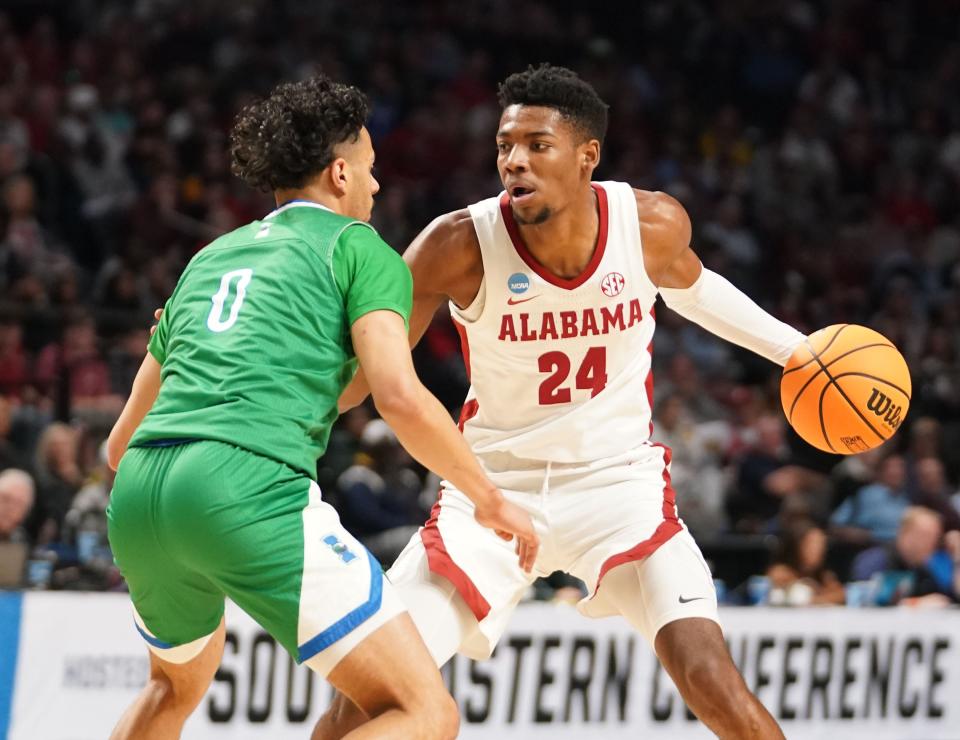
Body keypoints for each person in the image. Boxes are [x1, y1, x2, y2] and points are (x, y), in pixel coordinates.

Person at [325, 64, 797, 738]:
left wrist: (798, 352)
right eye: (504, 147)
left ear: (587, 157)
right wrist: (273, 397)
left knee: (710, 677)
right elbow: (365, 370)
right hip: (490, 494)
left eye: (536, 146)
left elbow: (695, 289)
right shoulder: (457, 243)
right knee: (362, 703)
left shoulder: (651, 224)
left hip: (617, 489)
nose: (514, 161)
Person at [105, 76, 538, 740]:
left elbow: (114, 447)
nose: (376, 187)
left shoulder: (209, 258)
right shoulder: (361, 250)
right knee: (425, 712)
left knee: (170, 687)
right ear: (340, 173)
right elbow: (398, 395)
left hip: (140, 495)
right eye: (369, 170)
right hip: (245, 486)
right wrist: (487, 496)